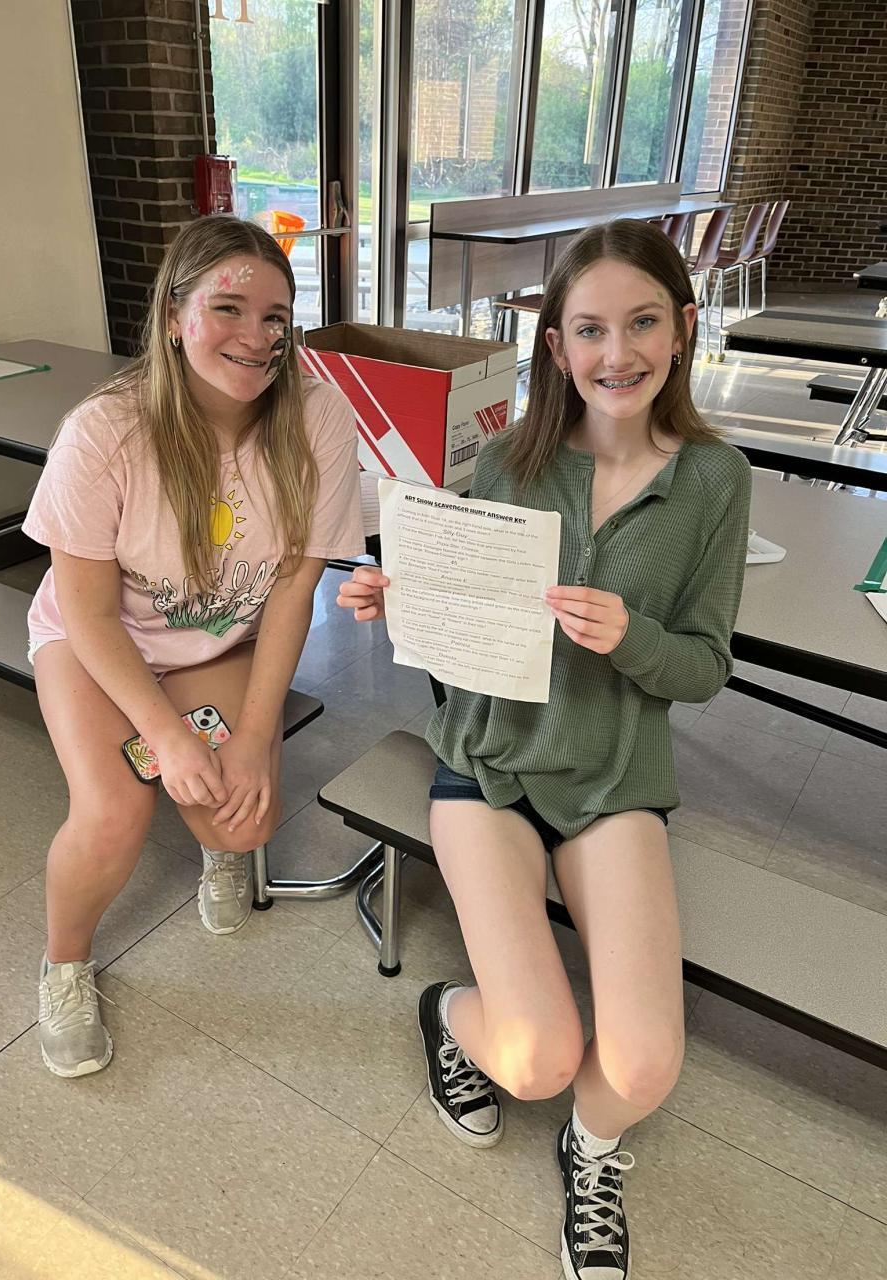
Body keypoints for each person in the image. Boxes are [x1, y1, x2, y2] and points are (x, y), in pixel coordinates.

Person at [338, 219, 750, 1280]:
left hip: (614, 781)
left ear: (683, 327)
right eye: (591, 330)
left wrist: (635, 638)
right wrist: (397, 600)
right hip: (488, 768)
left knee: (644, 1065)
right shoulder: (508, 461)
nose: (619, 353)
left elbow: (706, 666)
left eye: (643, 322)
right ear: (557, 346)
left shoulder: (715, 479)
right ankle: (448, 1015)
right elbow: (456, 624)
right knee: (535, 1057)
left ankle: (591, 1150)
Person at [23, 215, 363, 1078]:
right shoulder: (105, 431)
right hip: (100, 642)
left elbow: (293, 588)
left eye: (276, 317)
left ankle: (219, 855)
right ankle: (65, 964)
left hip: (216, 640)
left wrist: (251, 737)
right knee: (115, 810)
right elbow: (89, 614)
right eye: (229, 309)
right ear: (175, 316)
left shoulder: (319, 415)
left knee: (242, 812)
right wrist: (166, 737)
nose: (257, 336)